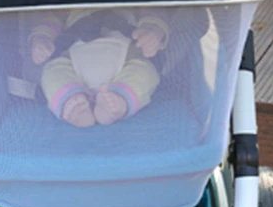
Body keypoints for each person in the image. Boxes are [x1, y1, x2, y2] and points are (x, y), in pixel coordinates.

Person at [30, 8, 169, 127]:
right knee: (52, 71)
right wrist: (42, 39)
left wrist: (153, 32)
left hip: (126, 60)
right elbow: (52, 17)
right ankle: (71, 102)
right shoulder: (67, 1)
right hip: (73, 60)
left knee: (145, 71)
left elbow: (151, 10)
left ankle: (120, 100)